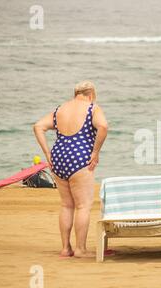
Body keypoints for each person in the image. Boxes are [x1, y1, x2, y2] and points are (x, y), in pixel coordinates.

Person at [33, 81, 108, 258]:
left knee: (67, 205)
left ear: (76, 93)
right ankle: (80, 249)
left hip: (58, 158)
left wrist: (47, 153)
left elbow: (38, 127)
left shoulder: (60, 109)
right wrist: (95, 152)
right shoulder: (92, 108)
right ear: (91, 94)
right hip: (80, 158)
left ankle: (66, 248)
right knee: (83, 206)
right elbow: (103, 127)